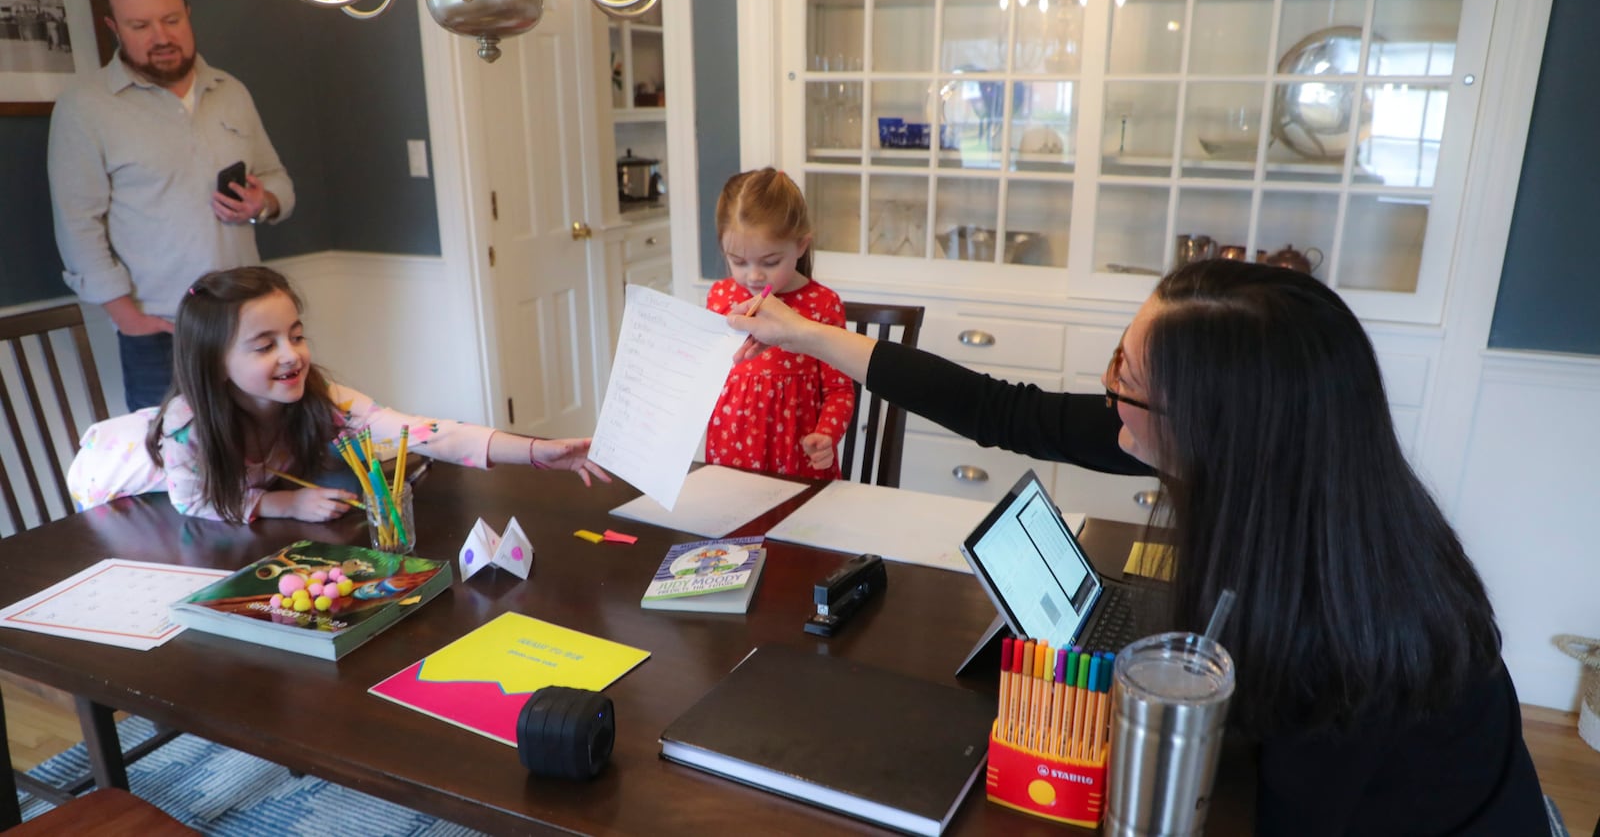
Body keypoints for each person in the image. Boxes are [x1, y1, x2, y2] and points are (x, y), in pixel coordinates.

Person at [727, 259, 1547, 834]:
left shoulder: (1340, 631)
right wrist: (814, 337)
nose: (1110, 392)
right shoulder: (1290, 478)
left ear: (1210, 424)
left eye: (1128, 379)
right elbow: (1006, 411)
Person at [67, 266, 608, 524]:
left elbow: (423, 433)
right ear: (215, 363)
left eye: (296, 335)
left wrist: (538, 452)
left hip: (218, 485)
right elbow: (193, 500)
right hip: (116, 482)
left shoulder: (316, 398)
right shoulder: (187, 426)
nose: (291, 355)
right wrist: (282, 503)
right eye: (264, 345)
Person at [48, 0, 294, 412]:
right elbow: (77, 225)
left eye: (171, 19)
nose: (161, 37)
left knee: (268, 454)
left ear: (188, 14)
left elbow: (279, 180)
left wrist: (264, 201)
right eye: (140, 25)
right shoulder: (84, 108)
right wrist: (127, 318)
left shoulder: (231, 91)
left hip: (250, 322)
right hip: (163, 331)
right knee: (172, 471)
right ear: (113, 27)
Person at [703, 168, 854, 479]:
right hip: (730, 453)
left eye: (770, 262)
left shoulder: (822, 304)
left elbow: (839, 389)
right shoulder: (720, 296)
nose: (754, 276)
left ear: (800, 246)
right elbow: (704, 376)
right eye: (738, 261)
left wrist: (827, 435)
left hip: (796, 457)